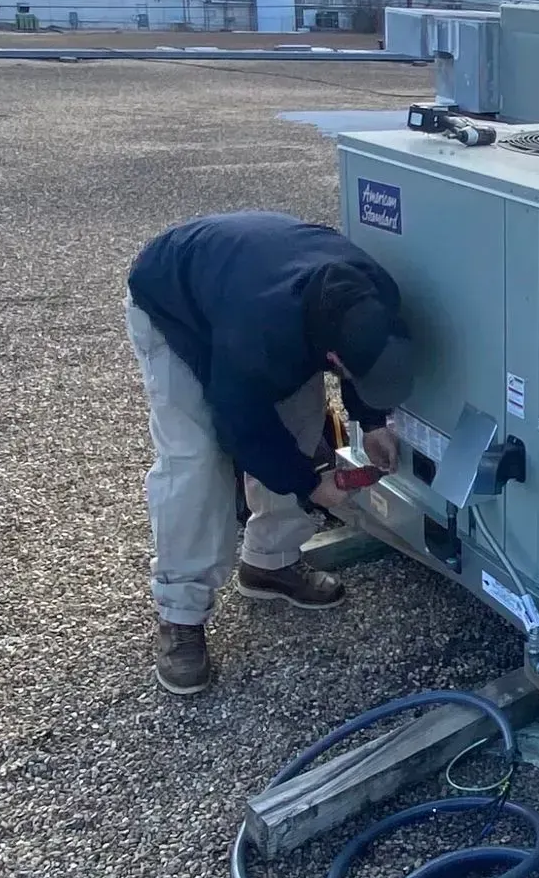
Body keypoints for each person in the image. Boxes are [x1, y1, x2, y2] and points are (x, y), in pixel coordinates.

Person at [124, 211, 416, 696]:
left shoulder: (375, 294)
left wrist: (373, 422)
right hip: (172, 298)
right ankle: (181, 615)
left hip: (256, 287)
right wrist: (310, 484)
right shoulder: (259, 336)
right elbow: (243, 425)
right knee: (195, 461)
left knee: (301, 423)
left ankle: (270, 562)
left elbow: (373, 360)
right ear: (332, 358)